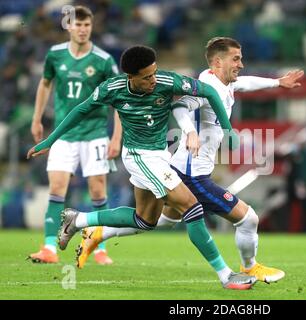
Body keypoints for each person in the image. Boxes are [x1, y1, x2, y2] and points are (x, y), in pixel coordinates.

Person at [75, 37, 304, 283]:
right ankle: (249, 268)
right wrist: (190, 132)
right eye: (236, 59)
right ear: (218, 61)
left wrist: (278, 82)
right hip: (193, 174)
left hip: (183, 167)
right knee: (248, 219)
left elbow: (244, 83)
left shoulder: (221, 81)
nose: (241, 64)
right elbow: (180, 107)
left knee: (157, 221)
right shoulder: (208, 85)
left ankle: (97, 233)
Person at [27, 45, 256, 290]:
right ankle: (226, 275)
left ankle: (79, 219)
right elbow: (81, 110)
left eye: (154, 73)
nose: (153, 80)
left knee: (145, 220)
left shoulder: (167, 81)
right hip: (138, 155)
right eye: (146, 77)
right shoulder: (112, 89)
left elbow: (209, 91)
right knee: (191, 205)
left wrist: (227, 128)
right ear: (130, 77)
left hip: (159, 154)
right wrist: (50, 141)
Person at [28, 6, 121, 265]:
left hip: (94, 135)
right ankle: (49, 248)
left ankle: (99, 248)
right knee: (57, 188)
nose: (82, 29)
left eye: (86, 25)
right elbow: (45, 84)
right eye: (77, 25)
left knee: (97, 191)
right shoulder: (55, 55)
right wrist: (36, 119)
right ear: (69, 27)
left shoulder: (103, 60)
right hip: (63, 135)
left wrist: (116, 138)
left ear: (91, 27)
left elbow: (118, 99)